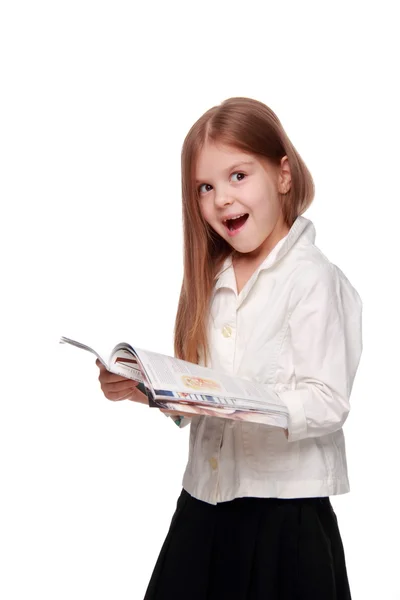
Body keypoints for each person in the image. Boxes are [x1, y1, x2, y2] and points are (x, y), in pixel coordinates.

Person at [96, 97, 363, 599]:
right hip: (202, 507)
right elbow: (203, 396)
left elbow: (328, 400)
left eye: (238, 176)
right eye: (205, 187)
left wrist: (246, 400)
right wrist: (147, 391)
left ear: (283, 175)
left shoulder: (314, 280)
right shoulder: (211, 279)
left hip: (285, 517)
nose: (221, 198)